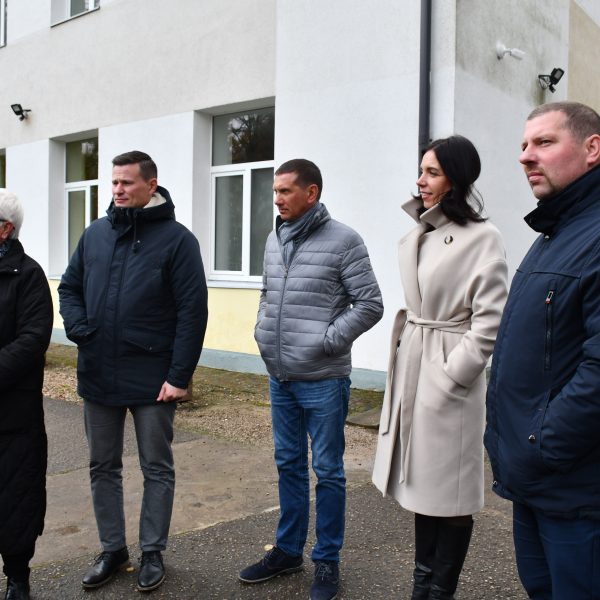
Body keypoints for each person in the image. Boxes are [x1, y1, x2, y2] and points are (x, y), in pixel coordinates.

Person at [58, 151, 208, 593]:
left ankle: (152, 552)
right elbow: (69, 287)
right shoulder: (95, 235)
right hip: (99, 372)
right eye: (114, 182)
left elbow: (192, 312)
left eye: (126, 182)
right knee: (102, 466)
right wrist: (79, 328)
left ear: (151, 184)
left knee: (156, 467)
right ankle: (112, 550)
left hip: (153, 378)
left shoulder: (178, 241)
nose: (118, 190)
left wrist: (179, 376)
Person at [239, 158, 383, 600]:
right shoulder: (275, 237)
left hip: (323, 378)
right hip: (280, 376)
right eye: (275, 191)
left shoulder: (344, 240)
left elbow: (370, 303)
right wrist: (263, 331)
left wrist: (327, 341)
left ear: (311, 193)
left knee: (328, 471)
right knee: (288, 464)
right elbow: (268, 293)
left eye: (285, 191)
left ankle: (327, 560)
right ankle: (287, 551)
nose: (277, 199)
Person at [372, 136, 508, 600]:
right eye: (421, 171)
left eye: (431, 172)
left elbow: (490, 322)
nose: (420, 181)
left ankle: (439, 591)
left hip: (446, 371)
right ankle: (421, 585)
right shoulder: (423, 231)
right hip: (415, 362)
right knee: (421, 487)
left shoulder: (483, 237)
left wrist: (453, 375)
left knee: (449, 495)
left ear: (456, 178)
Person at [485, 101, 600, 598]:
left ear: (592, 148)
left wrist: (543, 443)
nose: (526, 156)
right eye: (524, 145)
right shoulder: (556, 231)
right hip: (535, 480)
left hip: (575, 489)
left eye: (544, 142)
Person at [0, 190, 53, 600]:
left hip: (12, 414)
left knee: (15, 497)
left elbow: (33, 339)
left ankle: (18, 578)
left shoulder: (29, 275)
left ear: (5, 229)